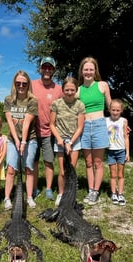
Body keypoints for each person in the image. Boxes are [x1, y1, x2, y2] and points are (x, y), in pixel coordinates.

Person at [77, 56, 111, 205]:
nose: (88, 72)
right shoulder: (78, 91)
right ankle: (91, 189)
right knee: (88, 162)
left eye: (91, 69)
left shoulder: (103, 85)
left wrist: (121, 123)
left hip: (99, 125)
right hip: (84, 127)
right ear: (82, 71)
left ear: (95, 70)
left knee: (98, 162)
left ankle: (96, 191)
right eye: (86, 69)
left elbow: (111, 107)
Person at [3, 70, 38, 209]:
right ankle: (7, 198)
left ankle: (29, 197)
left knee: (28, 168)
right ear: (14, 84)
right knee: (11, 169)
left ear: (28, 84)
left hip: (30, 139)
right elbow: (10, 121)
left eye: (24, 83)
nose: (21, 86)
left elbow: (27, 123)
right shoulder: (8, 99)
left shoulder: (32, 100)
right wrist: (16, 141)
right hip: (12, 139)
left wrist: (23, 141)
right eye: (18, 83)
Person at [50, 76, 85, 206]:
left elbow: (80, 126)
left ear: (76, 90)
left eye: (72, 90)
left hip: (74, 141)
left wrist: (70, 142)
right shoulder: (56, 104)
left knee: (72, 169)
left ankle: (71, 195)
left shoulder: (80, 104)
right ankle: (61, 194)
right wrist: (60, 139)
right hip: (60, 140)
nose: (70, 92)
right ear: (63, 89)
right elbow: (52, 124)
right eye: (67, 90)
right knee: (63, 171)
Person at [32, 57, 63, 200]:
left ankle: (49, 189)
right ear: (40, 68)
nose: (47, 70)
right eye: (44, 67)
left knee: (49, 161)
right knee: (33, 161)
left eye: (50, 67)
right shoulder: (31, 85)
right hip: (32, 131)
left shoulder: (59, 89)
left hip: (49, 132)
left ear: (54, 70)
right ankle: (34, 187)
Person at [106, 99, 130, 206]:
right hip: (110, 151)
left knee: (120, 174)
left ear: (121, 111)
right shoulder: (105, 121)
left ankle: (120, 193)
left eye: (117, 110)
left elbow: (126, 137)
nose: (115, 112)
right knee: (112, 174)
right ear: (109, 110)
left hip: (121, 151)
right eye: (113, 110)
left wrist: (127, 152)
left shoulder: (124, 121)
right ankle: (113, 193)